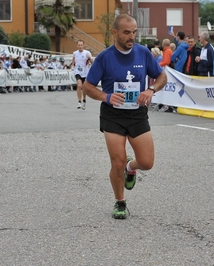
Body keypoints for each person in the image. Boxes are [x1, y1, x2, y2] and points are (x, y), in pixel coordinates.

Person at [82, 13, 167, 219]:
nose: (131, 37)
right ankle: (120, 201)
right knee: (116, 162)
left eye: (134, 33)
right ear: (115, 33)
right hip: (112, 115)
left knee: (147, 163)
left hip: (137, 114)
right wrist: (106, 96)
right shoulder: (105, 57)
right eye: (127, 32)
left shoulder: (143, 53)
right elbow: (87, 87)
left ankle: (131, 168)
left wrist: (151, 90)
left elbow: (162, 76)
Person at [70, 40, 93, 110]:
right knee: (79, 85)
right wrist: (72, 66)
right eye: (79, 45)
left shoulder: (87, 53)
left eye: (81, 45)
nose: (80, 46)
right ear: (77, 46)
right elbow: (73, 61)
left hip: (85, 72)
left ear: (83, 46)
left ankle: (84, 100)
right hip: (78, 72)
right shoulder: (75, 53)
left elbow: (93, 62)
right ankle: (79, 102)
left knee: (84, 88)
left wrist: (89, 58)